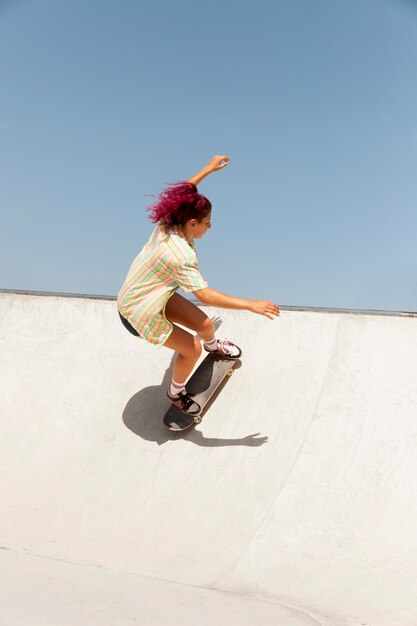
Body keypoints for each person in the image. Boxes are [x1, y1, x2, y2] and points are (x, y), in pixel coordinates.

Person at [118, 155, 280, 416]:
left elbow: (183, 193)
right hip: (137, 312)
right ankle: (176, 392)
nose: (210, 227)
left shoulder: (169, 223)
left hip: (150, 294)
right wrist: (251, 304)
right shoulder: (180, 255)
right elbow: (204, 294)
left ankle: (213, 345)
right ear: (192, 223)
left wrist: (208, 169)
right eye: (207, 223)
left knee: (204, 326)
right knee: (191, 349)